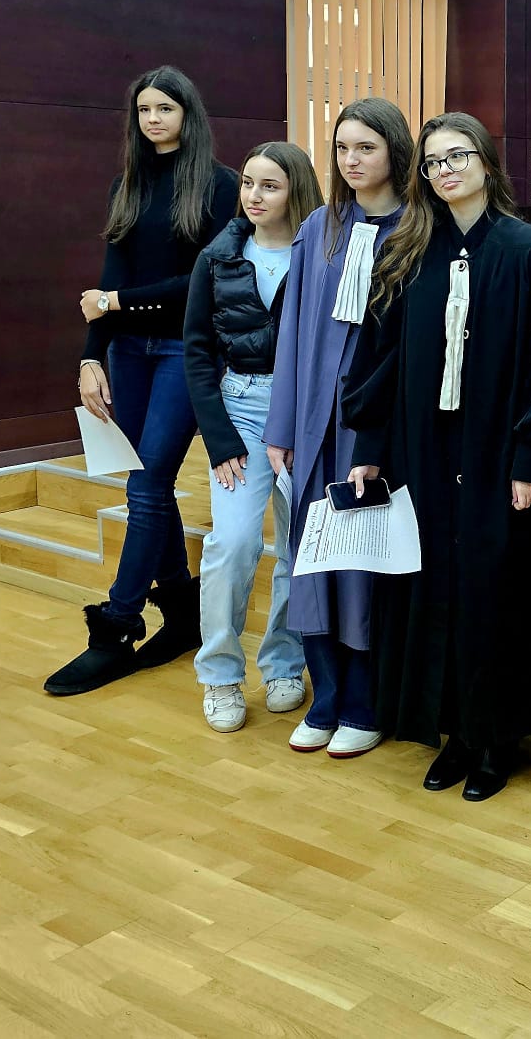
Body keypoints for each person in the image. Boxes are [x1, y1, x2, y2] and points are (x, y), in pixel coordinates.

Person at [343, 112, 531, 800]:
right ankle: (453, 734)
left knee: (494, 590)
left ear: (486, 162)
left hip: (498, 450)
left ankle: (495, 739)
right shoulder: (408, 252)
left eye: (458, 156)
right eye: (434, 162)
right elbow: (379, 357)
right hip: (426, 450)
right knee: (435, 587)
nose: (445, 171)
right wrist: (371, 447)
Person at [46, 67, 238, 696]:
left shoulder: (220, 185)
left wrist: (119, 301)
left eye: (165, 108)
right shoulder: (126, 184)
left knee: (148, 483)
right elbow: (109, 277)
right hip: (127, 350)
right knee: (146, 485)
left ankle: (117, 626)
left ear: (188, 113)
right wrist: (90, 358)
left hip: (187, 349)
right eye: (144, 109)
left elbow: (202, 279)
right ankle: (182, 611)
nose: (153, 119)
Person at [264, 97, 413, 758]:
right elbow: (292, 332)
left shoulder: (417, 230)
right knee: (313, 559)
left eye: (366, 148)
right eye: (343, 148)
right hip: (312, 424)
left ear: (395, 153)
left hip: (373, 430)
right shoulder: (319, 227)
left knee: (362, 565)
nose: (352, 160)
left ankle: (364, 700)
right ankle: (324, 695)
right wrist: (282, 426)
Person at [181, 141, 323, 732]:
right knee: (233, 543)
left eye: (270, 185)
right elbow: (196, 352)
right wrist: (219, 440)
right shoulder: (218, 257)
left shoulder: (321, 251)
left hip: (306, 415)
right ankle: (219, 673)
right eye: (248, 183)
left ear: (296, 190)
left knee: (298, 548)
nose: (254, 196)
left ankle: (285, 662)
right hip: (240, 407)